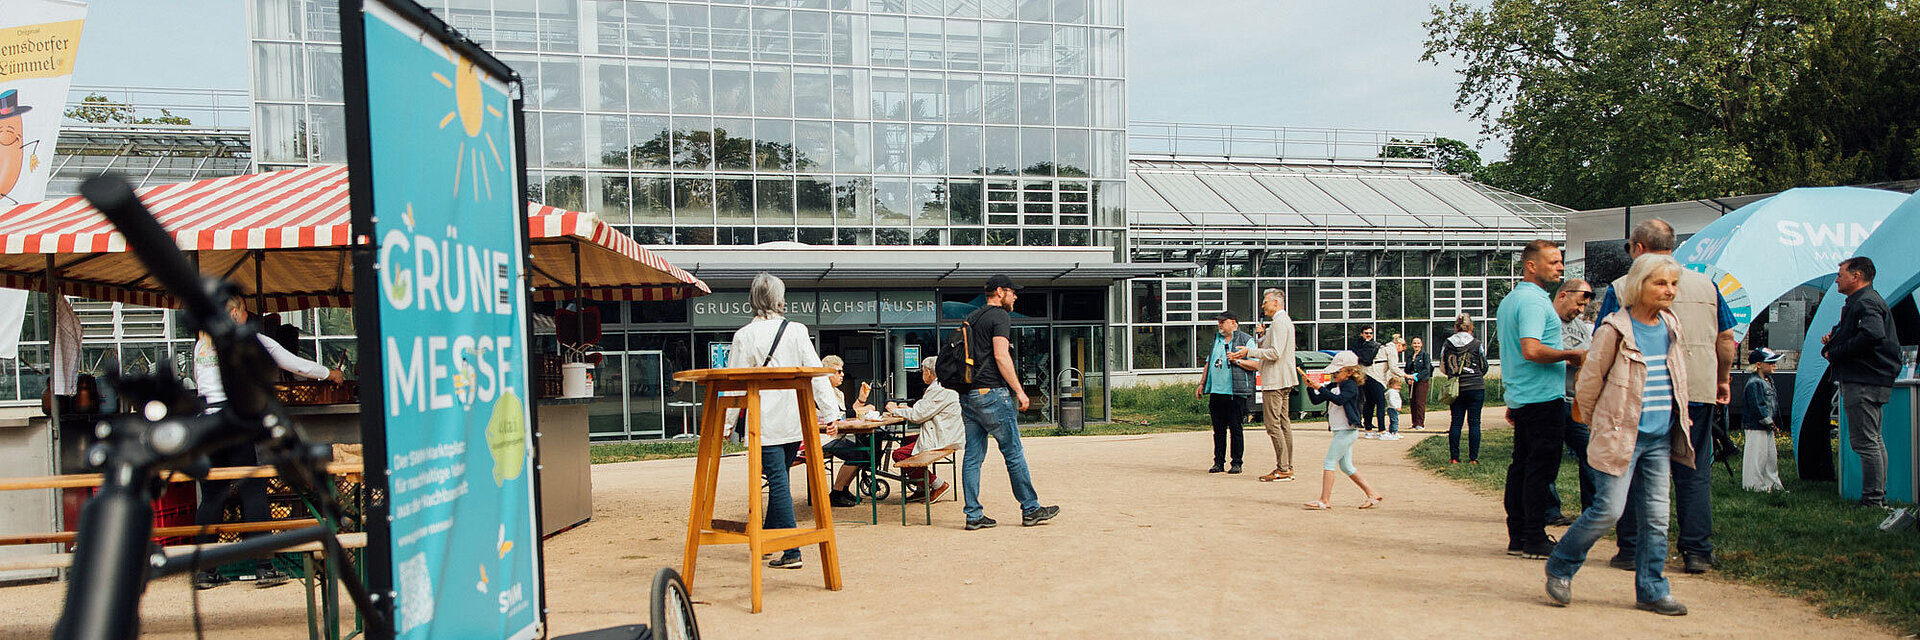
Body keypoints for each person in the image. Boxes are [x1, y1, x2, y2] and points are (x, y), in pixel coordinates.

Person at [1546, 252, 1694, 617]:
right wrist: (1603, 427)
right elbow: (1589, 385)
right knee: (1609, 510)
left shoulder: (1671, 324)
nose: (1669, 290)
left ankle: (1652, 589)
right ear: (1639, 285)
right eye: (1661, 283)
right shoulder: (1615, 329)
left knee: (1658, 518)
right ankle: (1561, 567)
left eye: (1673, 284)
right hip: (1620, 436)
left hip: (1659, 438)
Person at [1597, 219, 1736, 574]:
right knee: (1694, 469)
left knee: (1629, 465)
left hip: (1644, 390)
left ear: (1638, 248)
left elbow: (1605, 340)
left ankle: (1629, 548)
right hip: (1698, 388)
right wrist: (1722, 380)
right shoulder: (1707, 285)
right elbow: (1725, 338)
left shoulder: (1623, 285)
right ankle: (1697, 552)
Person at [192, 297, 345, 590]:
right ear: (235, 312)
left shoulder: (203, 344)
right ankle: (263, 566)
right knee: (253, 487)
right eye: (245, 312)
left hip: (207, 422)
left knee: (212, 496)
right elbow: (294, 364)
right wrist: (330, 374)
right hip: (235, 419)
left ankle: (206, 571)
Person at [725, 272, 840, 569]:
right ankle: (767, 539)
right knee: (781, 478)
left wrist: (726, 425)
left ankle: (791, 551)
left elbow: (732, 386)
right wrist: (830, 414)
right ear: (780, 298)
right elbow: (817, 374)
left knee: (777, 481)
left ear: (752, 299)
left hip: (761, 423)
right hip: (793, 420)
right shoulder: (797, 331)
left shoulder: (744, 336)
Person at [1495, 239, 1584, 560]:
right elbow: (1531, 349)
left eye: (1560, 262)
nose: (1560, 267)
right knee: (1539, 470)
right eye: (1553, 262)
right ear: (1531, 265)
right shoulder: (1534, 302)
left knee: (1522, 467)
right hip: (1542, 398)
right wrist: (1572, 354)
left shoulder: (1512, 300)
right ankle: (1533, 536)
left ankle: (1519, 535)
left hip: (1523, 395)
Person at [959, 274, 1060, 531]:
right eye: (1013, 292)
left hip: (969, 395)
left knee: (972, 456)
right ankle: (1031, 508)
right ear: (1000, 291)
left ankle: (973, 515)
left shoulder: (972, 318)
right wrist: (1020, 391)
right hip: (992, 393)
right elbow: (1001, 356)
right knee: (1013, 451)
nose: (1016, 296)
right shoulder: (1000, 317)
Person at [1822, 256, 1902, 508]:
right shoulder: (1866, 301)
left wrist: (1835, 352)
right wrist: (1835, 337)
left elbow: (1872, 333)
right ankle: (1877, 495)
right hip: (1873, 378)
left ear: (1856, 276)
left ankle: (1872, 499)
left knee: (1865, 442)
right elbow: (1865, 332)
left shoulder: (1865, 302)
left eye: (1841, 273)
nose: (1837, 278)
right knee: (1874, 440)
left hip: (1863, 379)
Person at [1545, 278, 1600, 526]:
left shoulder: (1579, 326)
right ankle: (1549, 510)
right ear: (1563, 295)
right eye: (1578, 304)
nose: (1579, 310)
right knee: (1549, 456)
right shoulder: (1545, 320)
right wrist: (1572, 358)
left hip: (1577, 402)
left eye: (1584, 307)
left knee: (1590, 454)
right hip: (1552, 398)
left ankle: (1592, 509)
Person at [1299, 352, 1384, 510]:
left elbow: (1339, 400)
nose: (1333, 375)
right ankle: (1372, 494)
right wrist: (1310, 387)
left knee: (1329, 463)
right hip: (1341, 431)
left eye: (1337, 372)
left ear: (1349, 372)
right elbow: (1317, 400)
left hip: (1347, 430)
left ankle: (1324, 499)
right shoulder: (1334, 386)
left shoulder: (1351, 386)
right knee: (1346, 466)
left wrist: (1319, 387)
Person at [1236, 288, 1299, 482]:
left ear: (1276, 303)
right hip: (1284, 379)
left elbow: (1275, 353)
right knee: (1283, 423)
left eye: (1265, 302)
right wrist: (1262, 338)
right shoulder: (1281, 322)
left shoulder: (1280, 323)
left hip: (1275, 381)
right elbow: (1273, 348)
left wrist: (1250, 351)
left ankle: (1283, 468)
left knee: (1273, 425)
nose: (1263, 305)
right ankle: (1286, 466)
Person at [886, 356, 964, 502]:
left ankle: (937, 484)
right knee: (905, 440)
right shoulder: (947, 385)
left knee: (899, 455)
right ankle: (921, 487)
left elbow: (917, 415)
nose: (922, 375)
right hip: (945, 433)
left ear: (929, 372)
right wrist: (907, 409)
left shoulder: (938, 389)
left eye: (923, 372)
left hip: (943, 437)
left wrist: (894, 410)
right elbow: (925, 410)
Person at [1197, 311, 1257, 474]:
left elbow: (1256, 365)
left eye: (1223, 321)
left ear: (1234, 323)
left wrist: (1237, 360)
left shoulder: (1246, 340)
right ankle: (1218, 462)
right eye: (1219, 322)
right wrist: (1202, 383)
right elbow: (1208, 363)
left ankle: (1236, 462)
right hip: (1217, 391)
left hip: (1235, 392)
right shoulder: (1216, 340)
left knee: (1236, 428)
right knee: (1218, 429)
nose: (1220, 324)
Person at [1442, 314, 1488, 464]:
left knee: (1456, 422)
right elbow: (1484, 365)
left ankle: (1454, 457)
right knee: (1474, 423)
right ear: (1471, 327)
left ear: (1456, 327)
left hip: (1456, 387)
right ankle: (1473, 458)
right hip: (1475, 385)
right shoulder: (1476, 343)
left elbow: (1443, 366)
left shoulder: (1447, 344)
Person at [1742, 348, 1786, 493]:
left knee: (1770, 457)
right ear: (1759, 364)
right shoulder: (1754, 383)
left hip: (1766, 426)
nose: (1774, 364)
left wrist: (1775, 422)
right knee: (1756, 457)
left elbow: (1773, 405)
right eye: (1771, 362)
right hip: (1756, 426)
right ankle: (1753, 485)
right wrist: (1769, 422)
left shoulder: (1768, 381)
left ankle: (1771, 485)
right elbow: (1757, 407)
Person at [1366, 331, 1409, 440]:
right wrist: (1406, 375)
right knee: (1381, 403)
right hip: (1376, 376)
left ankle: (1368, 430)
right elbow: (1393, 367)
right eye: (1402, 349)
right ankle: (1382, 431)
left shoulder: (1383, 347)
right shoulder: (1392, 349)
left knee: (1370, 403)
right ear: (1399, 345)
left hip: (1366, 374)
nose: (1400, 352)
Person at [1348, 327, 1385, 435]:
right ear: (1361, 334)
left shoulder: (1375, 345)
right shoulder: (1365, 345)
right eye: (1366, 333)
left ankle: (1368, 427)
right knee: (1378, 402)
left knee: (1369, 402)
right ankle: (1381, 429)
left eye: (1370, 333)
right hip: (1368, 376)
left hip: (1366, 374)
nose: (1369, 335)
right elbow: (1367, 360)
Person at [1406, 337, 1433, 430]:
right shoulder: (1409, 356)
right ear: (1412, 345)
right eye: (1414, 343)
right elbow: (1407, 370)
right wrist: (1408, 379)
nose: (1416, 345)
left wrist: (1416, 377)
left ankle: (1420, 423)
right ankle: (1414, 423)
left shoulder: (1425, 355)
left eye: (1418, 343)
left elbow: (1427, 369)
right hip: (1412, 382)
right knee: (1412, 402)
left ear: (1421, 344)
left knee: (1419, 402)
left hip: (1422, 381)